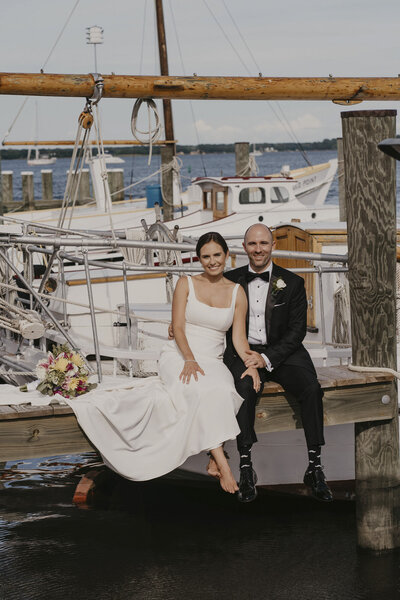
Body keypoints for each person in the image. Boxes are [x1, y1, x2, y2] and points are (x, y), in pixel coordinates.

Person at [66, 231, 260, 495]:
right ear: (198, 258)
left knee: (225, 390)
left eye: (217, 255)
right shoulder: (185, 283)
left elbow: (238, 338)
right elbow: (178, 327)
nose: (212, 261)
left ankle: (215, 459)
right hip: (179, 353)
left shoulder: (237, 293)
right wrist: (188, 358)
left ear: (226, 255)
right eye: (206, 256)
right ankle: (223, 464)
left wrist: (251, 361)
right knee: (197, 390)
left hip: (212, 358)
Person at [213, 223, 332, 503]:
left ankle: (314, 466)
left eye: (263, 243)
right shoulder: (228, 281)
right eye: (252, 244)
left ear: (273, 246)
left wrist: (265, 358)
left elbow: (296, 332)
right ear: (244, 248)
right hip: (242, 352)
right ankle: (245, 466)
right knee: (244, 389)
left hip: (283, 354)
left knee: (311, 389)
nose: (258, 249)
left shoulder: (292, 283)